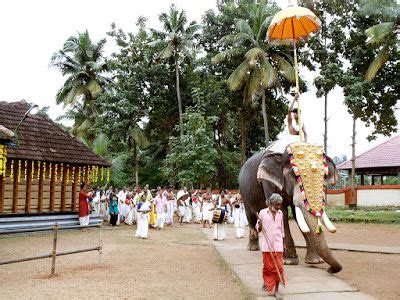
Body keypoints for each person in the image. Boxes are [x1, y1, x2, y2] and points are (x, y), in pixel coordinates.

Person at [256, 193, 285, 297]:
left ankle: (276, 290)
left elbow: (282, 229)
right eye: (277, 204)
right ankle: (267, 282)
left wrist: (283, 242)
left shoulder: (280, 213)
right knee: (267, 268)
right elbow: (258, 229)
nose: (279, 207)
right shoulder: (263, 213)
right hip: (266, 246)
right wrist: (259, 225)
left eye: (280, 205)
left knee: (279, 268)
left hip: (278, 245)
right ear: (271, 203)